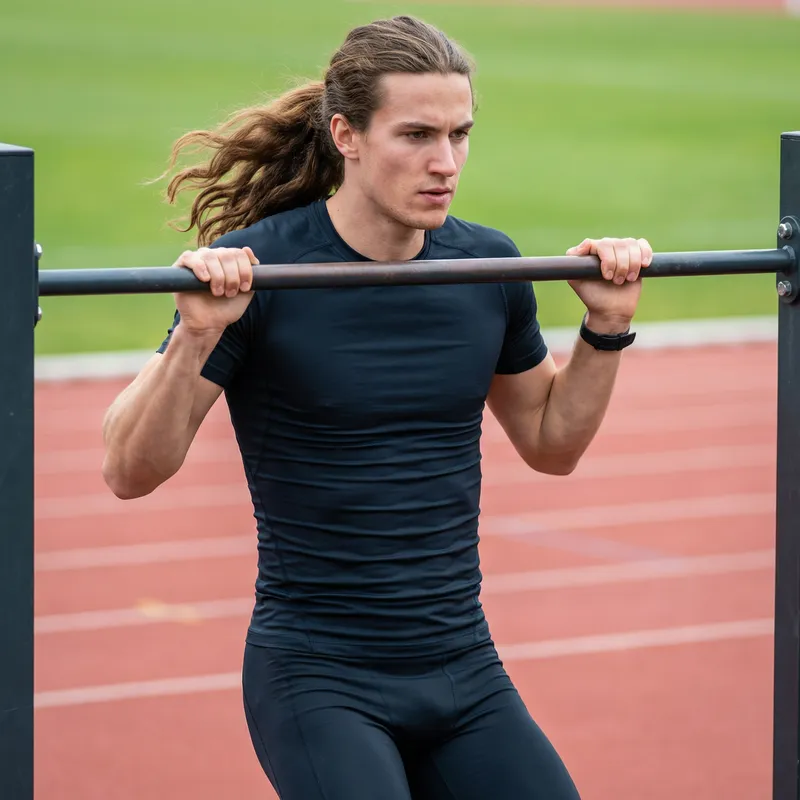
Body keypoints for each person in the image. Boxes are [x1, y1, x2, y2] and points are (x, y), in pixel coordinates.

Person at [101, 15, 651, 800]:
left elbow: (551, 442)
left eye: (460, 134)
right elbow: (127, 470)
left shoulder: (488, 266)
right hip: (320, 679)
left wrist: (606, 326)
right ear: (346, 135)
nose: (446, 162)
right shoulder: (264, 272)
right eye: (417, 135)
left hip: (464, 667)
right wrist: (194, 338)